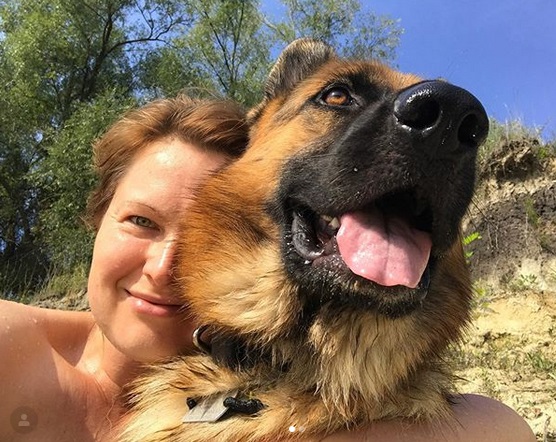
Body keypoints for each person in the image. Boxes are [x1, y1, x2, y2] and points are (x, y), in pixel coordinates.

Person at [0, 95, 535, 442]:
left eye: (198, 239)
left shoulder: (253, 393)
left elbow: (504, 428)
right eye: (140, 221)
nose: (164, 269)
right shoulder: (11, 347)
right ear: (97, 219)